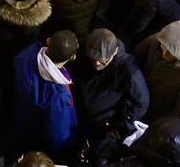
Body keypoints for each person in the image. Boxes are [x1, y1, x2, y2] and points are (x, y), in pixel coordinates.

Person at [72, 29, 150, 141]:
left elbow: (142, 102)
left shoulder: (128, 70)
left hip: (99, 124)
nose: (97, 63)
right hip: (75, 112)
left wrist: (121, 128)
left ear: (115, 51)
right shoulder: (85, 46)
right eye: (93, 57)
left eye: (103, 59)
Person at [12, 31, 79, 159]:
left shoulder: (27, 54)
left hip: (21, 120)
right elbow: (58, 135)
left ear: (48, 41)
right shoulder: (58, 95)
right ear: (73, 57)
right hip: (38, 137)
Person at [136, 20, 180, 121]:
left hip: (155, 114)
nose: (164, 53)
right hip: (137, 93)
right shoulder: (163, 40)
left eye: (171, 53)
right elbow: (136, 57)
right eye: (164, 47)